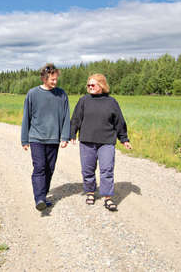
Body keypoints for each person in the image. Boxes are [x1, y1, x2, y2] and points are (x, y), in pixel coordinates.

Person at [70, 73, 132, 211]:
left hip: (106, 142)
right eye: (88, 85)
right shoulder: (84, 101)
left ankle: (108, 198)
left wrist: (124, 139)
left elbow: (119, 122)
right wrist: (72, 134)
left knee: (107, 170)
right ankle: (90, 193)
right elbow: (76, 119)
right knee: (87, 170)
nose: (90, 87)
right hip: (87, 141)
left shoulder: (111, 102)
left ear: (101, 85)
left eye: (93, 85)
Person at [21, 63, 70, 211]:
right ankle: (40, 198)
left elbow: (66, 116)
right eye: (52, 79)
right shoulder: (32, 94)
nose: (55, 82)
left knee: (50, 168)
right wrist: (24, 139)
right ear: (44, 78)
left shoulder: (61, 95)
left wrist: (65, 137)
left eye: (56, 79)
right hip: (36, 138)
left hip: (54, 139)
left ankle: (43, 194)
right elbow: (26, 117)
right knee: (39, 167)